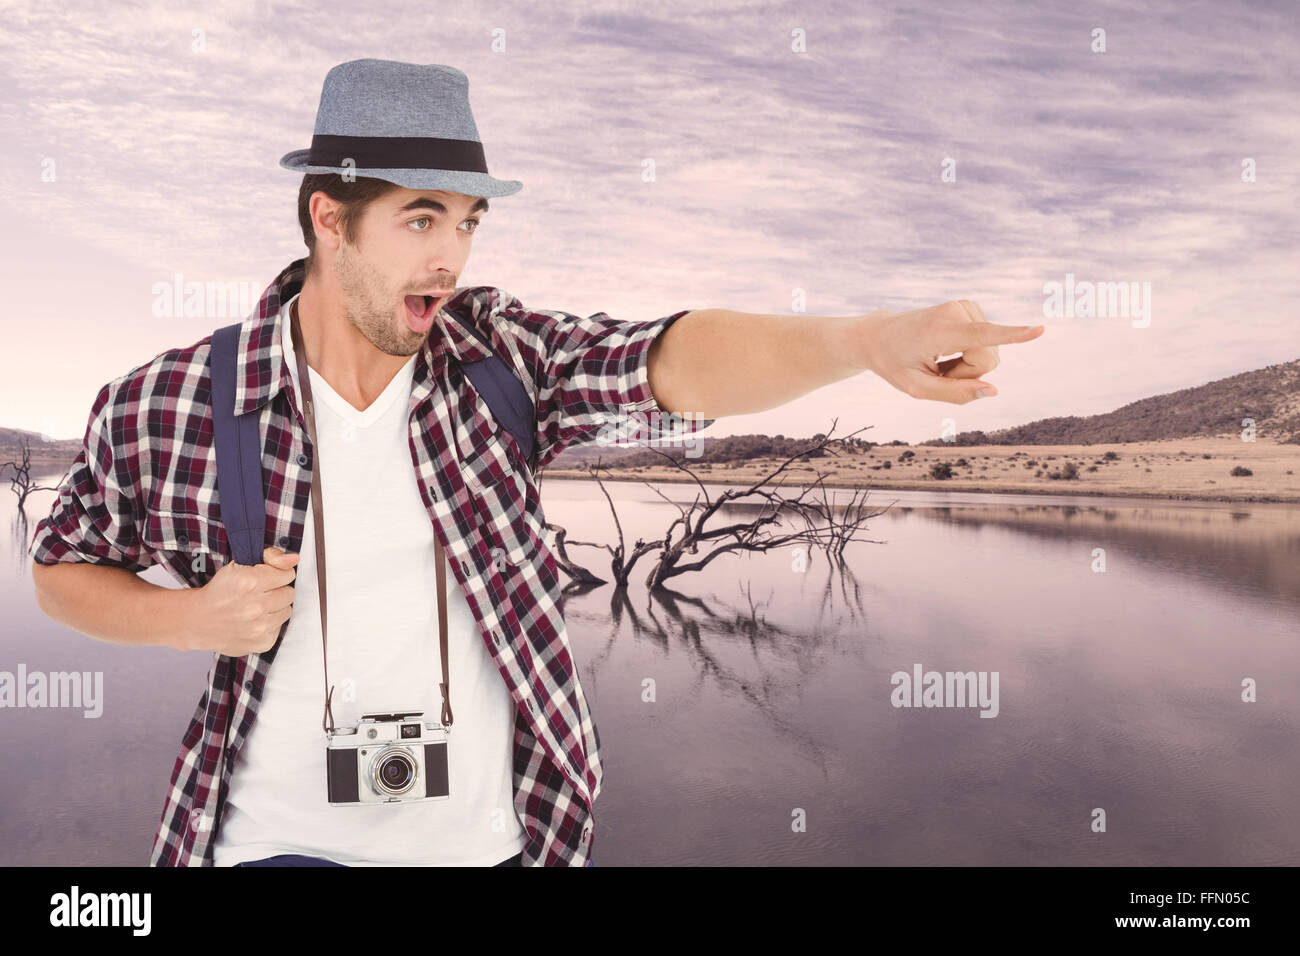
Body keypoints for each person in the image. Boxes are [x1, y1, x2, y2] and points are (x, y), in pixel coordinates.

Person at [28, 58, 1045, 868]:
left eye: (466, 222)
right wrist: (185, 618)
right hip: (275, 847)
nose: (450, 257)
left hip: (496, 844)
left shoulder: (500, 361)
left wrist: (859, 342)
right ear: (327, 219)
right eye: (421, 218)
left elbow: (665, 358)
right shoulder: (176, 401)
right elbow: (61, 565)